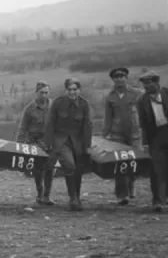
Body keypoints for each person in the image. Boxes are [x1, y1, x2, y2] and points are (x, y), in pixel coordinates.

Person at [44, 78, 93, 211]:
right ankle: (73, 198)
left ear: (79, 90)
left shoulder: (84, 104)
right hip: (61, 141)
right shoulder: (58, 103)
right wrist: (48, 143)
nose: (72, 92)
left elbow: (87, 126)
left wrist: (88, 146)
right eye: (69, 89)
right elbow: (50, 123)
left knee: (78, 170)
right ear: (66, 90)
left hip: (78, 142)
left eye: (75, 89)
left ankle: (76, 197)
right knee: (69, 165)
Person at [102, 67, 143, 205]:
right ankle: (121, 195)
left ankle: (131, 185)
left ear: (126, 78)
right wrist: (104, 134)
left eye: (122, 76)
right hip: (116, 134)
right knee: (119, 164)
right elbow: (108, 118)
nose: (119, 79)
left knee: (134, 162)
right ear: (113, 79)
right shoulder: (110, 97)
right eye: (116, 77)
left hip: (135, 133)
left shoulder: (137, 93)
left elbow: (144, 113)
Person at [16, 81, 54, 205]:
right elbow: (23, 128)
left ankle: (47, 195)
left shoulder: (53, 106)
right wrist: (19, 145)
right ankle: (40, 193)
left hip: (50, 141)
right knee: (38, 169)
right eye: (41, 93)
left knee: (50, 168)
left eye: (46, 93)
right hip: (34, 142)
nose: (44, 95)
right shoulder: (29, 109)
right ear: (36, 93)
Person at [135, 71, 168, 212]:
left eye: (148, 84)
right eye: (144, 85)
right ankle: (158, 201)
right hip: (155, 136)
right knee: (156, 169)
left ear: (156, 82)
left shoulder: (167, 93)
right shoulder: (141, 100)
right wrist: (145, 143)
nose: (146, 88)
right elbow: (143, 124)